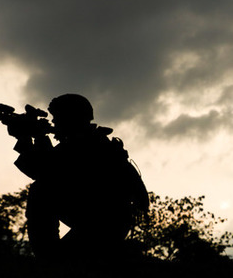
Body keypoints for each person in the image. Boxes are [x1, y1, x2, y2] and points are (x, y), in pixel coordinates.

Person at [10, 93, 149, 263]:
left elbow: (43, 171)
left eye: (57, 118)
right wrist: (36, 137)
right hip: (100, 219)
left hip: (102, 222)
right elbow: (50, 166)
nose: (54, 123)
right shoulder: (89, 141)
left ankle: (48, 258)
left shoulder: (86, 144)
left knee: (40, 191)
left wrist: (26, 138)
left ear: (70, 119)